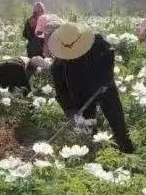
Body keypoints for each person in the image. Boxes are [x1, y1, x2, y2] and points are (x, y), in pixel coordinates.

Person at [49, 23, 134, 153]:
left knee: (118, 123)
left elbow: (109, 56)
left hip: (105, 88)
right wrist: (70, 110)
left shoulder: (97, 41)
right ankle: (94, 156)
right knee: (88, 133)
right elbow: (61, 91)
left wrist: (106, 79)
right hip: (81, 97)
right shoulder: (59, 65)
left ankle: (128, 151)